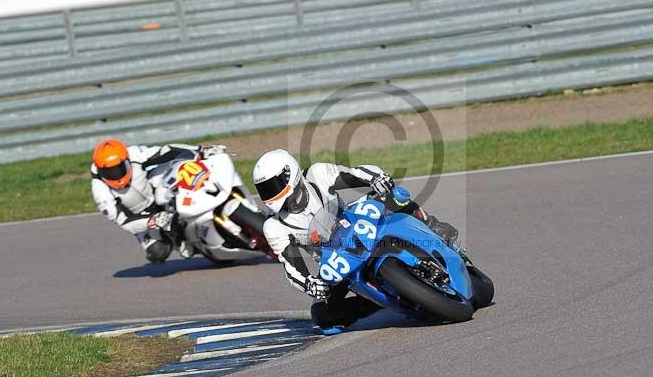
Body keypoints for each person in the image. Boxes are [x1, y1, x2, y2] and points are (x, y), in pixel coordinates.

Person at [252, 149, 459, 330]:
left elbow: (354, 174)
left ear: (291, 174)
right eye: (264, 190)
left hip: (355, 222)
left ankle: (432, 225)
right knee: (323, 316)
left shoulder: (316, 174)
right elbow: (291, 267)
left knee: (392, 195)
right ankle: (378, 303)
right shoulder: (274, 227)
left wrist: (376, 178)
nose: (270, 194)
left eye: (273, 185)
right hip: (334, 260)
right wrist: (309, 283)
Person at [90, 138, 227, 264]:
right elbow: (124, 222)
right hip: (142, 217)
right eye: (109, 172)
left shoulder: (134, 153)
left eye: (118, 168)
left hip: (156, 189)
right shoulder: (100, 192)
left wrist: (200, 150)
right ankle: (187, 243)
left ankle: (211, 189)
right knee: (157, 253)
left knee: (180, 165)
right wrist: (151, 221)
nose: (116, 174)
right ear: (101, 171)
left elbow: (165, 151)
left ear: (126, 160)